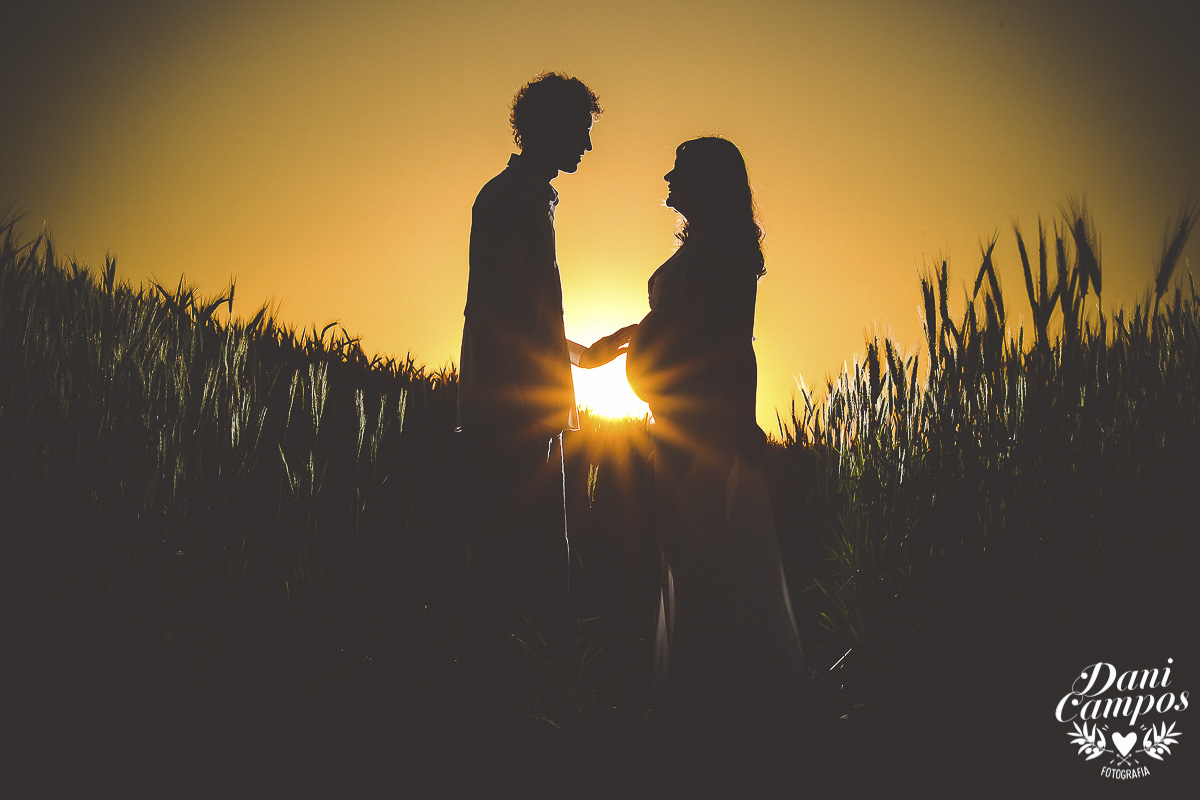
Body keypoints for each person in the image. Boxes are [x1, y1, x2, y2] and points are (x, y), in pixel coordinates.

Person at [626, 137, 807, 729]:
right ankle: (695, 692)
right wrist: (620, 343)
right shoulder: (700, 248)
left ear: (705, 181)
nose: (667, 177)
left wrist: (741, 422)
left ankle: (716, 705)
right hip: (672, 423)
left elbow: (735, 339)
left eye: (678, 169)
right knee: (679, 552)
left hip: (703, 426)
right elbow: (676, 324)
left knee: (702, 553)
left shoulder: (727, 249)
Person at [456, 72, 634, 671]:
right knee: (520, 577)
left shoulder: (528, 198)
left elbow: (526, 319)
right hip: (511, 420)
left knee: (533, 570)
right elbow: (491, 314)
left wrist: (586, 356)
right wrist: (529, 411)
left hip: (524, 414)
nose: (586, 145)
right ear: (550, 128)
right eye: (580, 131)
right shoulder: (508, 200)